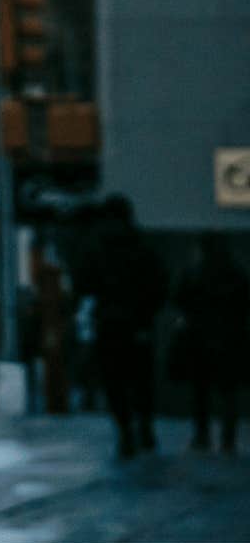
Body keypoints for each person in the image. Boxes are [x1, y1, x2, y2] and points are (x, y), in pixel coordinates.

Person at [75, 196, 168, 458]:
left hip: (111, 323)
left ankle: (127, 429)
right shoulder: (141, 247)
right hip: (136, 324)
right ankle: (143, 427)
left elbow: (84, 282)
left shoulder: (98, 248)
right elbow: (159, 285)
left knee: (115, 380)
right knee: (140, 380)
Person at [172, 233, 249, 454]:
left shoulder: (195, 273)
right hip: (229, 338)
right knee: (228, 392)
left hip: (200, 339)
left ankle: (202, 436)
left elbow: (180, 299)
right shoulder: (235, 273)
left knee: (201, 391)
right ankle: (228, 439)